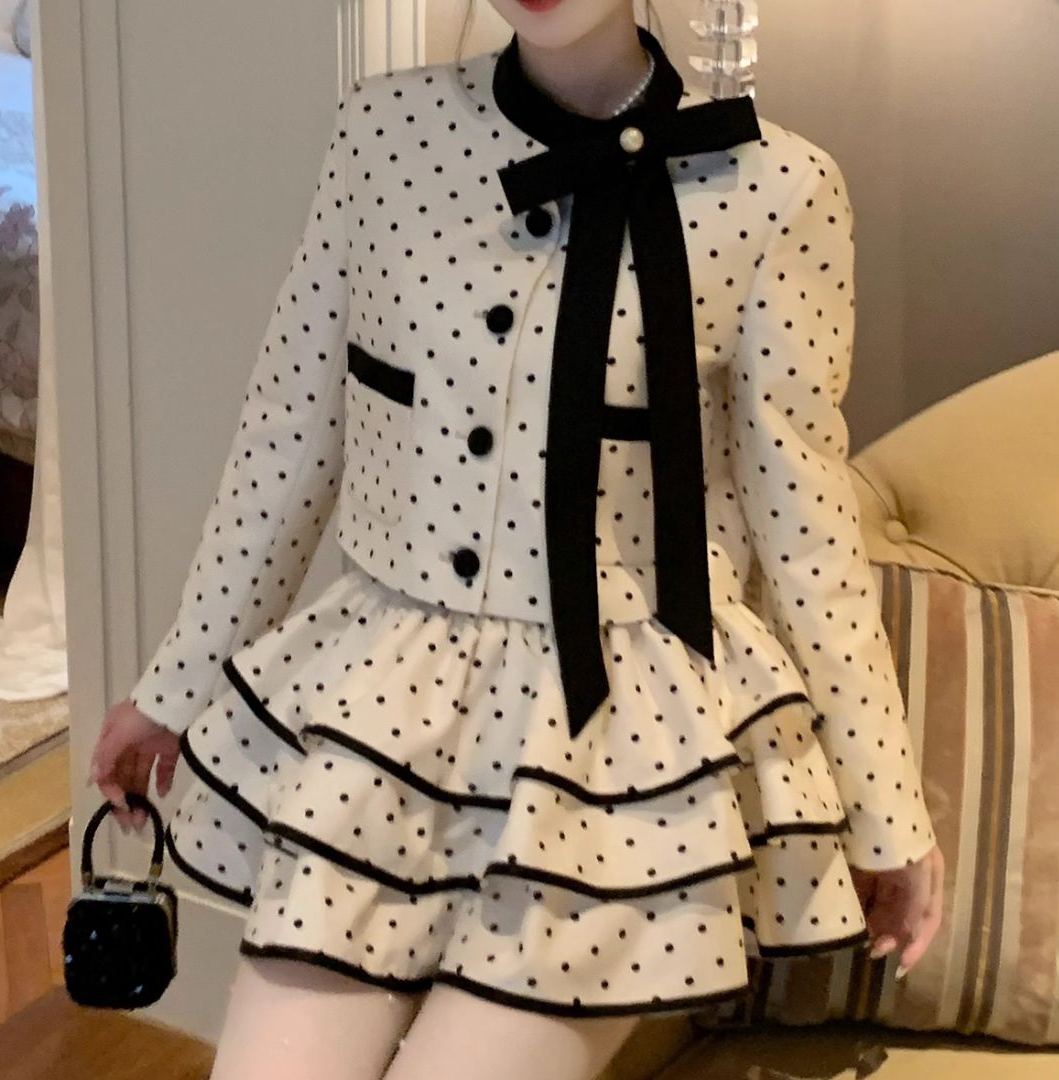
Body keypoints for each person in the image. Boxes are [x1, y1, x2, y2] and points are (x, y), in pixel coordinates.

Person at [89, 2, 945, 1077]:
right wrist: (173, 686)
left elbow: (807, 535)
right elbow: (288, 439)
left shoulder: (777, 190)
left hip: (618, 755)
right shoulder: (381, 135)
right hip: (384, 721)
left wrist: (885, 806)